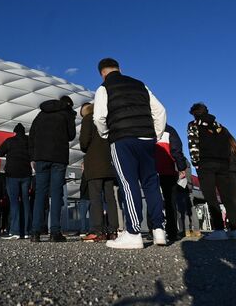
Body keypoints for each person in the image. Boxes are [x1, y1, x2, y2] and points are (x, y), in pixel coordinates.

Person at [93, 58, 168, 250]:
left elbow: (99, 117)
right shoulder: (140, 84)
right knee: (151, 183)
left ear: (102, 72)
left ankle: (134, 233)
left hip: (122, 139)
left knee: (128, 183)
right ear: (119, 68)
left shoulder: (104, 88)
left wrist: (106, 134)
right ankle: (159, 230)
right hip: (146, 139)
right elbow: (160, 111)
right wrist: (155, 134)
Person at [187, 103, 236, 241]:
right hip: (223, 163)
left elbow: (193, 144)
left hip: (206, 163)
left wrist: (196, 163)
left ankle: (219, 230)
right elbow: (228, 144)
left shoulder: (194, 124)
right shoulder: (220, 126)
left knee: (210, 196)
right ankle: (235, 230)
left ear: (194, 113)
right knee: (226, 196)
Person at [29, 95, 77, 243]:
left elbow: (32, 135)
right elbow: (71, 135)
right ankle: (54, 232)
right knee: (56, 195)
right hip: (58, 157)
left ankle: (35, 232)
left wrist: (33, 157)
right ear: (68, 104)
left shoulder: (41, 114)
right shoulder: (66, 114)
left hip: (41, 157)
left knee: (40, 195)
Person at [78, 102, 119, 242]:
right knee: (110, 198)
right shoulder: (107, 120)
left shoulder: (88, 119)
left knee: (95, 198)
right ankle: (113, 230)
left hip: (94, 164)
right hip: (108, 164)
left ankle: (97, 231)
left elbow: (84, 142)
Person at [0, 123, 32, 240]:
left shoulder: (10, 141)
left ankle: (15, 231)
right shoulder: (29, 141)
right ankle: (26, 231)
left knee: (14, 202)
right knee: (26, 201)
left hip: (12, 174)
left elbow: (0, 152)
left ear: (15, 132)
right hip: (26, 174)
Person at [155, 124, 189, 241]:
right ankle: (172, 232)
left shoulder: (145, 127)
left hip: (151, 171)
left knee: (152, 199)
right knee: (170, 202)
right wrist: (181, 167)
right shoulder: (170, 130)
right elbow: (176, 150)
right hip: (168, 170)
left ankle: (154, 229)